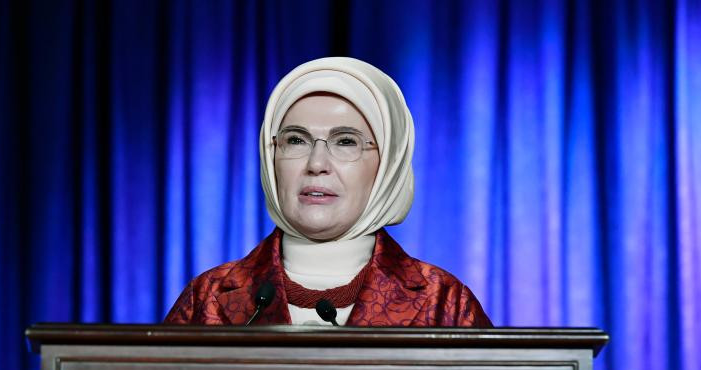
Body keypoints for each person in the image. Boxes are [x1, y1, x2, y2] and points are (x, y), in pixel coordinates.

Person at [164, 57, 492, 327]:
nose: (316, 164)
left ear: (388, 164)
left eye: (346, 141)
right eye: (296, 140)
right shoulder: (207, 298)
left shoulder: (444, 303)